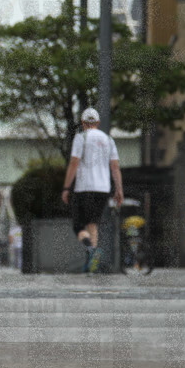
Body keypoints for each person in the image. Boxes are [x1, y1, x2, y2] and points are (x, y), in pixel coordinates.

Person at [61, 108, 123, 273]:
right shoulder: (108, 139)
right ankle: (91, 265)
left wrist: (67, 187)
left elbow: (74, 163)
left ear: (83, 123)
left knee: (78, 225)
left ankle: (91, 249)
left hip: (84, 188)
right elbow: (115, 167)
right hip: (103, 189)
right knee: (92, 224)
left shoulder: (82, 137)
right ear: (98, 123)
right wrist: (119, 190)